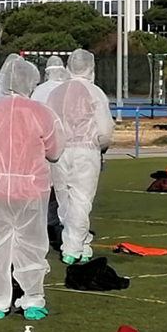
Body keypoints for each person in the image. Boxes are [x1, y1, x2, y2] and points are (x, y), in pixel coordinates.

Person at [0, 57, 65, 320]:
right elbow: (55, 150)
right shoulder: (42, 113)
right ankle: (33, 297)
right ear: (31, 82)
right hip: (31, 187)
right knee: (32, 243)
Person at [46, 49, 114, 264]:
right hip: (86, 150)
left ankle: (80, 242)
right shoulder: (94, 92)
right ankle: (73, 247)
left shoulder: (55, 93)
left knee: (64, 198)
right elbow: (105, 128)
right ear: (90, 67)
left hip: (59, 151)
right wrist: (101, 146)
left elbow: (48, 124)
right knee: (81, 199)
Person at [30, 56, 70, 246]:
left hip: (41, 145)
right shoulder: (68, 89)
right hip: (65, 146)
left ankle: (44, 224)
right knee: (64, 190)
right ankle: (62, 227)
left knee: (44, 188)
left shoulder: (38, 91)